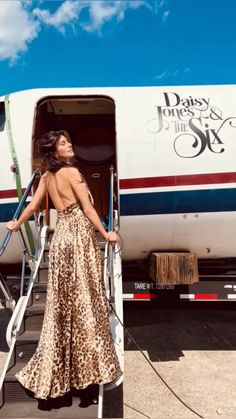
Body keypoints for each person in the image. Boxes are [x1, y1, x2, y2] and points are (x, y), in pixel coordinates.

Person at [6, 130, 122, 400]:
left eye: (69, 141)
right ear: (55, 151)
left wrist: (15, 224)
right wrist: (107, 235)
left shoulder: (47, 177)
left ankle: (58, 375)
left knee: (62, 307)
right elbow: (89, 209)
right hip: (80, 236)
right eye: (63, 143)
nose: (70, 145)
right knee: (86, 303)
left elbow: (34, 206)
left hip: (61, 240)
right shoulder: (72, 173)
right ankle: (89, 373)